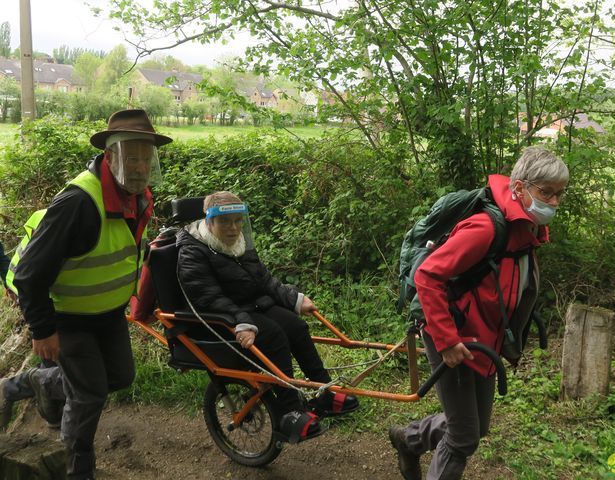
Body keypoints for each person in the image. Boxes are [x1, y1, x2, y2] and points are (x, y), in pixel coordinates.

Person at [6, 109, 172, 480]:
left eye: (147, 157)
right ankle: (75, 467)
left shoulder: (137, 196)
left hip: (108, 314)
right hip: (68, 316)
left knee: (121, 376)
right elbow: (31, 274)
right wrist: (42, 330)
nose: (142, 165)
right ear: (111, 156)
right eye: (133, 156)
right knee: (90, 394)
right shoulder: (79, 202)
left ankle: (40, 381)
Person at [388, 147, 569, 480]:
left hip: (485, 341)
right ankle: (413, 444)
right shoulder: (486, 228)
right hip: (452, 336)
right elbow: (428, 276)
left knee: (478, 426)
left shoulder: (526, 232)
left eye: (559, 194)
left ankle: (408, 440)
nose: (554, 202)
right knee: (463, 437)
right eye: (546, 193)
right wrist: (445, 340)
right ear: (519, 188)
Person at [176, 191, 359, 443]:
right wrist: (240, 321)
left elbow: (263, 279)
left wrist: (294, 299)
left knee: (296, 326)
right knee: (273, 336)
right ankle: (289, 412)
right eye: (225, 222)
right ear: (209, 222)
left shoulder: (239, 244)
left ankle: (323, 392)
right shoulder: (193, 251)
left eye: (238, 221)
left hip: (251, 307)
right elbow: (208, 298)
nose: (233, 228)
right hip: (221, 317)